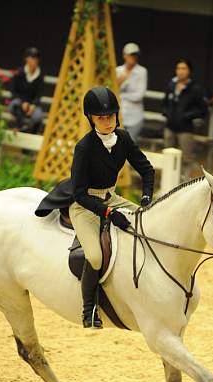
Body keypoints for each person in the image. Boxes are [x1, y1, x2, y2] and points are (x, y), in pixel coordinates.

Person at [35, 87, 155, 329]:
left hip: (111, 197)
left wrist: (145, 198)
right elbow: (78, 194)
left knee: (147, 225)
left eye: (111, 116)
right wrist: (109, 213)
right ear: (91, 119)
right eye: (101, 118)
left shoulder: (123, 138)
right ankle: (88, 309)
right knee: (95, 256)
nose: (108, 122)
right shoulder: (84, 147)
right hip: (85, 205)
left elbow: (147, 169)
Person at [162, 59, 207, 180]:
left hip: (186, 129)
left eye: (183, 68)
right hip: (170, 127)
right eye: (178, 68)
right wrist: (167, 113)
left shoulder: (195, 89)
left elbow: (203, 110)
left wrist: (188, 115)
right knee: (168, 154)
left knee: (186, 158)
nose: (180, 71)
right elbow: (164, 102)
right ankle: (167, 180)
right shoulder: (171, 85)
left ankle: (184, 181)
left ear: (189, 71)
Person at [116, 42, 147, 143]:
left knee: (130, 145)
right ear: (124, 55)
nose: (133, 57)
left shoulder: (142, 71)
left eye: (135, 55)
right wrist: (119, 83)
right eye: (130, 54)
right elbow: (111, 91)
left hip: (135, 117)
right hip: (119, 115)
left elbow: (139, 95)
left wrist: (122, 96)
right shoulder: (118, 70)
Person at [9, 47, 44, 133]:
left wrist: (33, 105)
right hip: (19, 102)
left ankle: (31, 132)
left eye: (36, 58)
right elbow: (13, 90)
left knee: (38, 116)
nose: (34, 61)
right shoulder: (19, 73)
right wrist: (22, 102)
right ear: (26, 59)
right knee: (15, 104)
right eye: (31, 58)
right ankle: (19, 126)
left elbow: (39, 94)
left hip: (32, 105)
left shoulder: (40, 76)